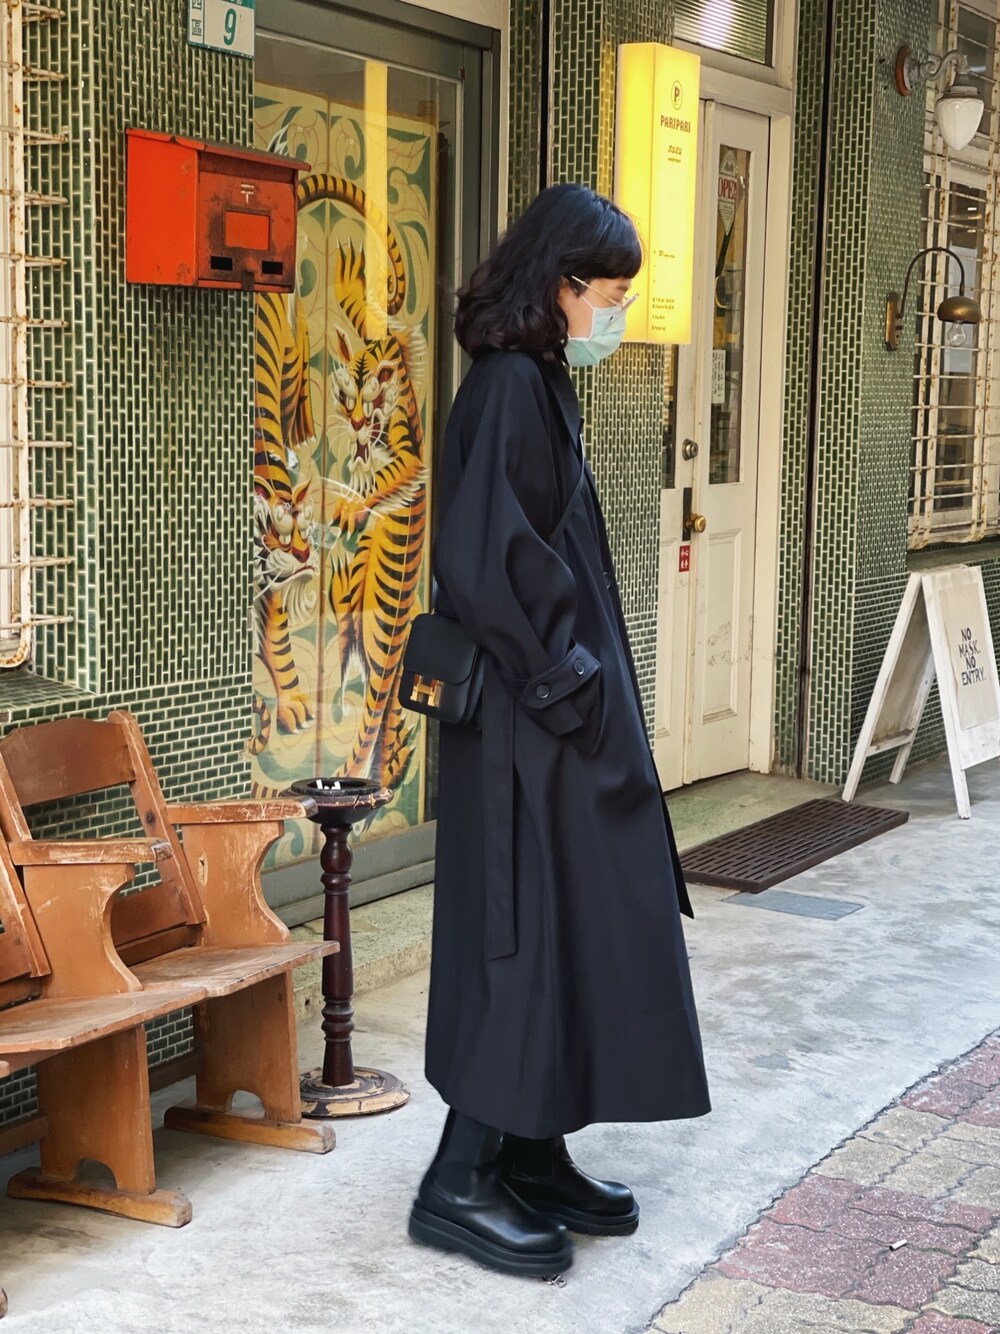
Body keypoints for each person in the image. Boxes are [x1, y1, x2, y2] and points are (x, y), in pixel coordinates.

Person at [407, 183, 710, 1277]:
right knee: (523, 932)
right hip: (529, 726)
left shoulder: (535, 379)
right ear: (559, 283)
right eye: (610, 294)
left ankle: (531, 1151)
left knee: (570, 919)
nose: (616, 314)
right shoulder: (506, 387)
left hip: (552, 715)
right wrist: (566, 687)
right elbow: (486, 561)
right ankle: (457, 1180)